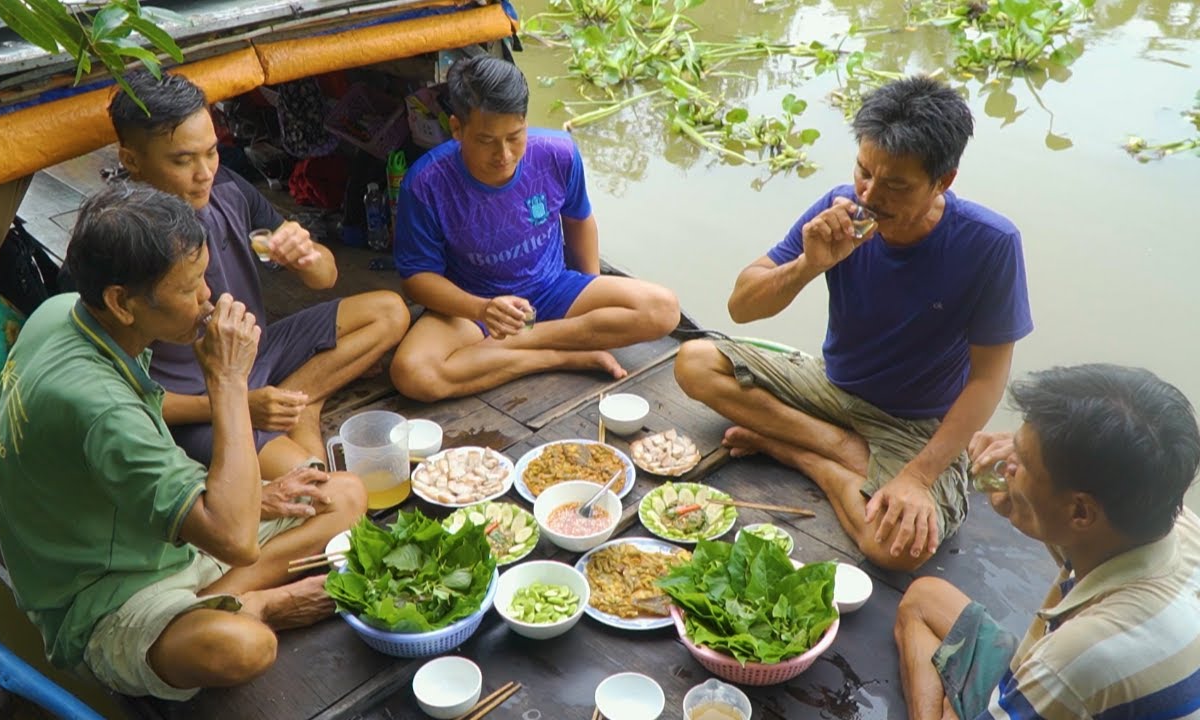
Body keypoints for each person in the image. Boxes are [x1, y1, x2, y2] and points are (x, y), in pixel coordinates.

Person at [0, 183, 366, 700]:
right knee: (241, 645)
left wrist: (263, 499)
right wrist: (229, 382)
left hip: (162, 540)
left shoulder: (67, 311)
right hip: (107, 594)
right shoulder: (99, 407)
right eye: (189, 289)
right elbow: (234, 540)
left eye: (204, 279)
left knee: (344, 495)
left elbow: (146, 460)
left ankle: (218, 595)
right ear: (122, 302)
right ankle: (258, 603)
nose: (208, 297)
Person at [673, 76, 1033, 571]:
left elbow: (989, 380)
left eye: (896, 185)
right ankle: (839, 449)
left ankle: (796, 450)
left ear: (943, 182)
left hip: (915, 423)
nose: (870, 193)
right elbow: (742, 306)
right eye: (864, 171)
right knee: (694, 361)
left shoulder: (989, 244)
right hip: (831, 386)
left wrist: (918, 476)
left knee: (898, 549)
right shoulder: (841, 210)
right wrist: (809, 264)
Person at [109, 70, 410, 480]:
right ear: (131, 159)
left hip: (261, 352)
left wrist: (305, 254)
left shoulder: (228, 190)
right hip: (199, 401)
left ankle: (295, 403)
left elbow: (326, 277)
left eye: (211, 153)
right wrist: (237, 403)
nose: (205, 173)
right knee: (312, 479)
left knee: (390, 311)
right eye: (183, 160)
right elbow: (116, 397)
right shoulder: (116, 239)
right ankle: (290, 411)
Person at [894, 364, 1200, 720]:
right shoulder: (1162, 520)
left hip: (1079, 677)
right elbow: (1082, 534)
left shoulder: (1077, 660)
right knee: (923, 598)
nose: (1007, 466)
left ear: (1080, 511)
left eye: (1021, 462)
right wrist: (1025, 493)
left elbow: (1075, 666)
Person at [388, 56, 680, 402]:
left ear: (526, 122)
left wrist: (591, 285)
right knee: (412, 373)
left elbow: (579, 220)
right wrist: (482, 309)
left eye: (514, 136)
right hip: (474, 309)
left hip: (552, 287)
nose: (504, 154)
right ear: (456, 128)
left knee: (664, 309)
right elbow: (417, 279)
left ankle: (519, 344)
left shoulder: (558, 154)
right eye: (485, 140)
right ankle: (556, 357)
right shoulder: (425, 183)